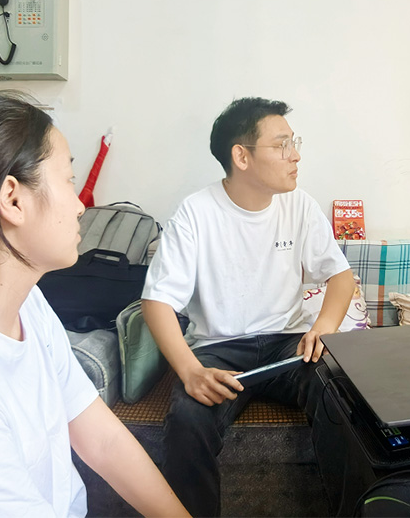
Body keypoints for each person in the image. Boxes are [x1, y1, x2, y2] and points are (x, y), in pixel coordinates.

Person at [0, 92, 189, 517]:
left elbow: (101, 439)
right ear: (13, 199)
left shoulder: (27, 304)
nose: (81, 206)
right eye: (68, 180)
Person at [142, 97, 355, 516]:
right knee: (188, 420)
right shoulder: (196, 213)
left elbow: (340, 276)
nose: (295, 155)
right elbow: (157, 301)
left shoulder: (299, 205)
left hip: (288, 344)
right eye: (281, 145)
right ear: (241, 156)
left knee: (341, 394)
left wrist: (324, 326)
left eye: (294, 143)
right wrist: (190, 370)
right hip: (218, 349)